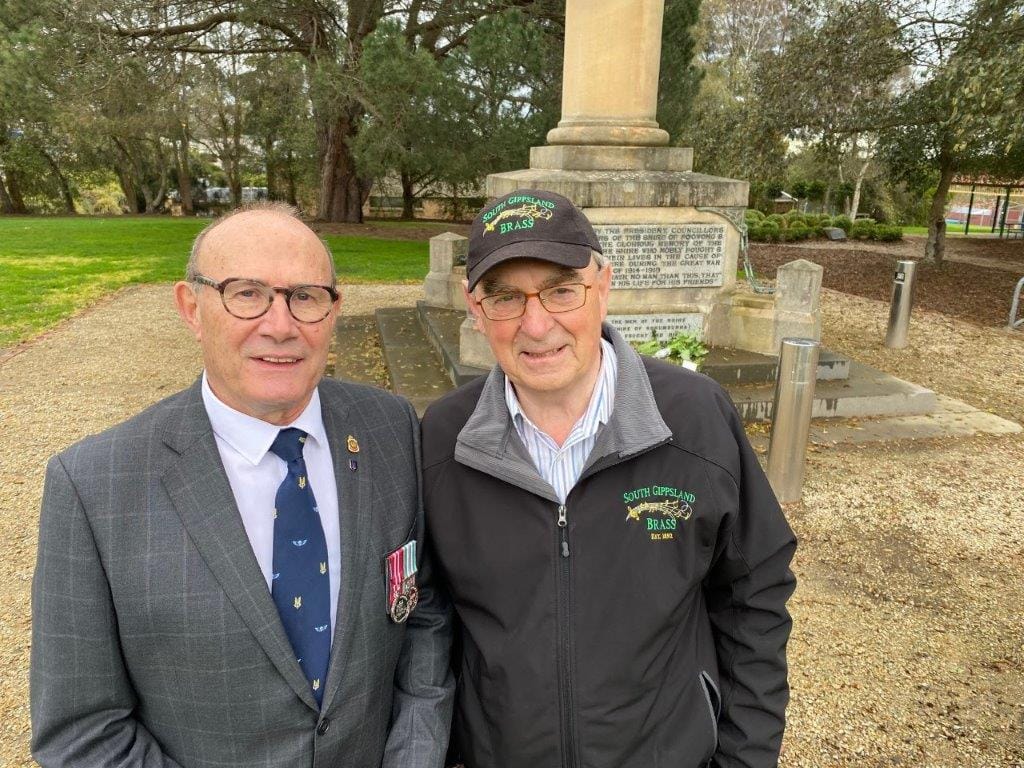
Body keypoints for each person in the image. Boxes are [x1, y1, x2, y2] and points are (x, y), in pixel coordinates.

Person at [31, 203, 453, 767]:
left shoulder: (388, 428)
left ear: (333, 310)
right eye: (246, 293)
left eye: (305, 296)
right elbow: (82, 732)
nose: (280, 325)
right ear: (192, 307)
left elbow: (420, 611)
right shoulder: (93, 486)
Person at [421, 189, 797, 768]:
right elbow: (427, 620)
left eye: (561, 290)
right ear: (475, 309)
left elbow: (754, 594)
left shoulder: (694, 419)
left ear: (603, 286)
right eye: (505, 298)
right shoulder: (444, 441)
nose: (536, 323)